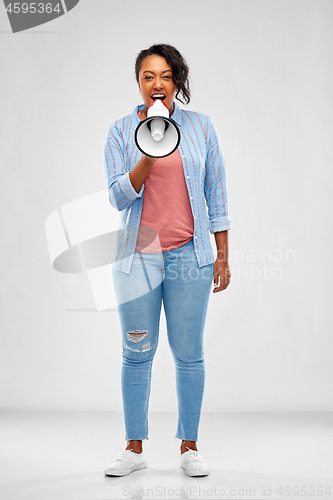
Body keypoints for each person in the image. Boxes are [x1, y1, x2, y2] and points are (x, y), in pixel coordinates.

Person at [103, 44, 232, 477]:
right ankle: (134, 448)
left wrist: (222, 255)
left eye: (166, 76)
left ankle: (189, 446)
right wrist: (149, 146)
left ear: (176, 81)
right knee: (136, 351)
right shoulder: (121, 131)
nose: (157, 84)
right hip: (137, 259)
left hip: (189, 257)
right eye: (148, 76)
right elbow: (118, 197)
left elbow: (217, 193)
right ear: (138, 82)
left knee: (189, 353)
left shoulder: (202, 128)